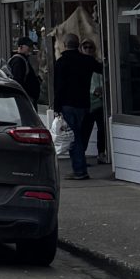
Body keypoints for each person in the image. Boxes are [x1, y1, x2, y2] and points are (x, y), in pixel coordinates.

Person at [52, 34, 95, 180]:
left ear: (64, 45)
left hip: (67, 104)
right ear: (78, 45)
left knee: (73, 137)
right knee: (78, 136)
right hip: (84, 103)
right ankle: (79, 167)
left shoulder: (61, 62)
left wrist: (56, 107)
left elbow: (58, 86)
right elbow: (102, 68)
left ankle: (79, 170)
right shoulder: (87, 61)